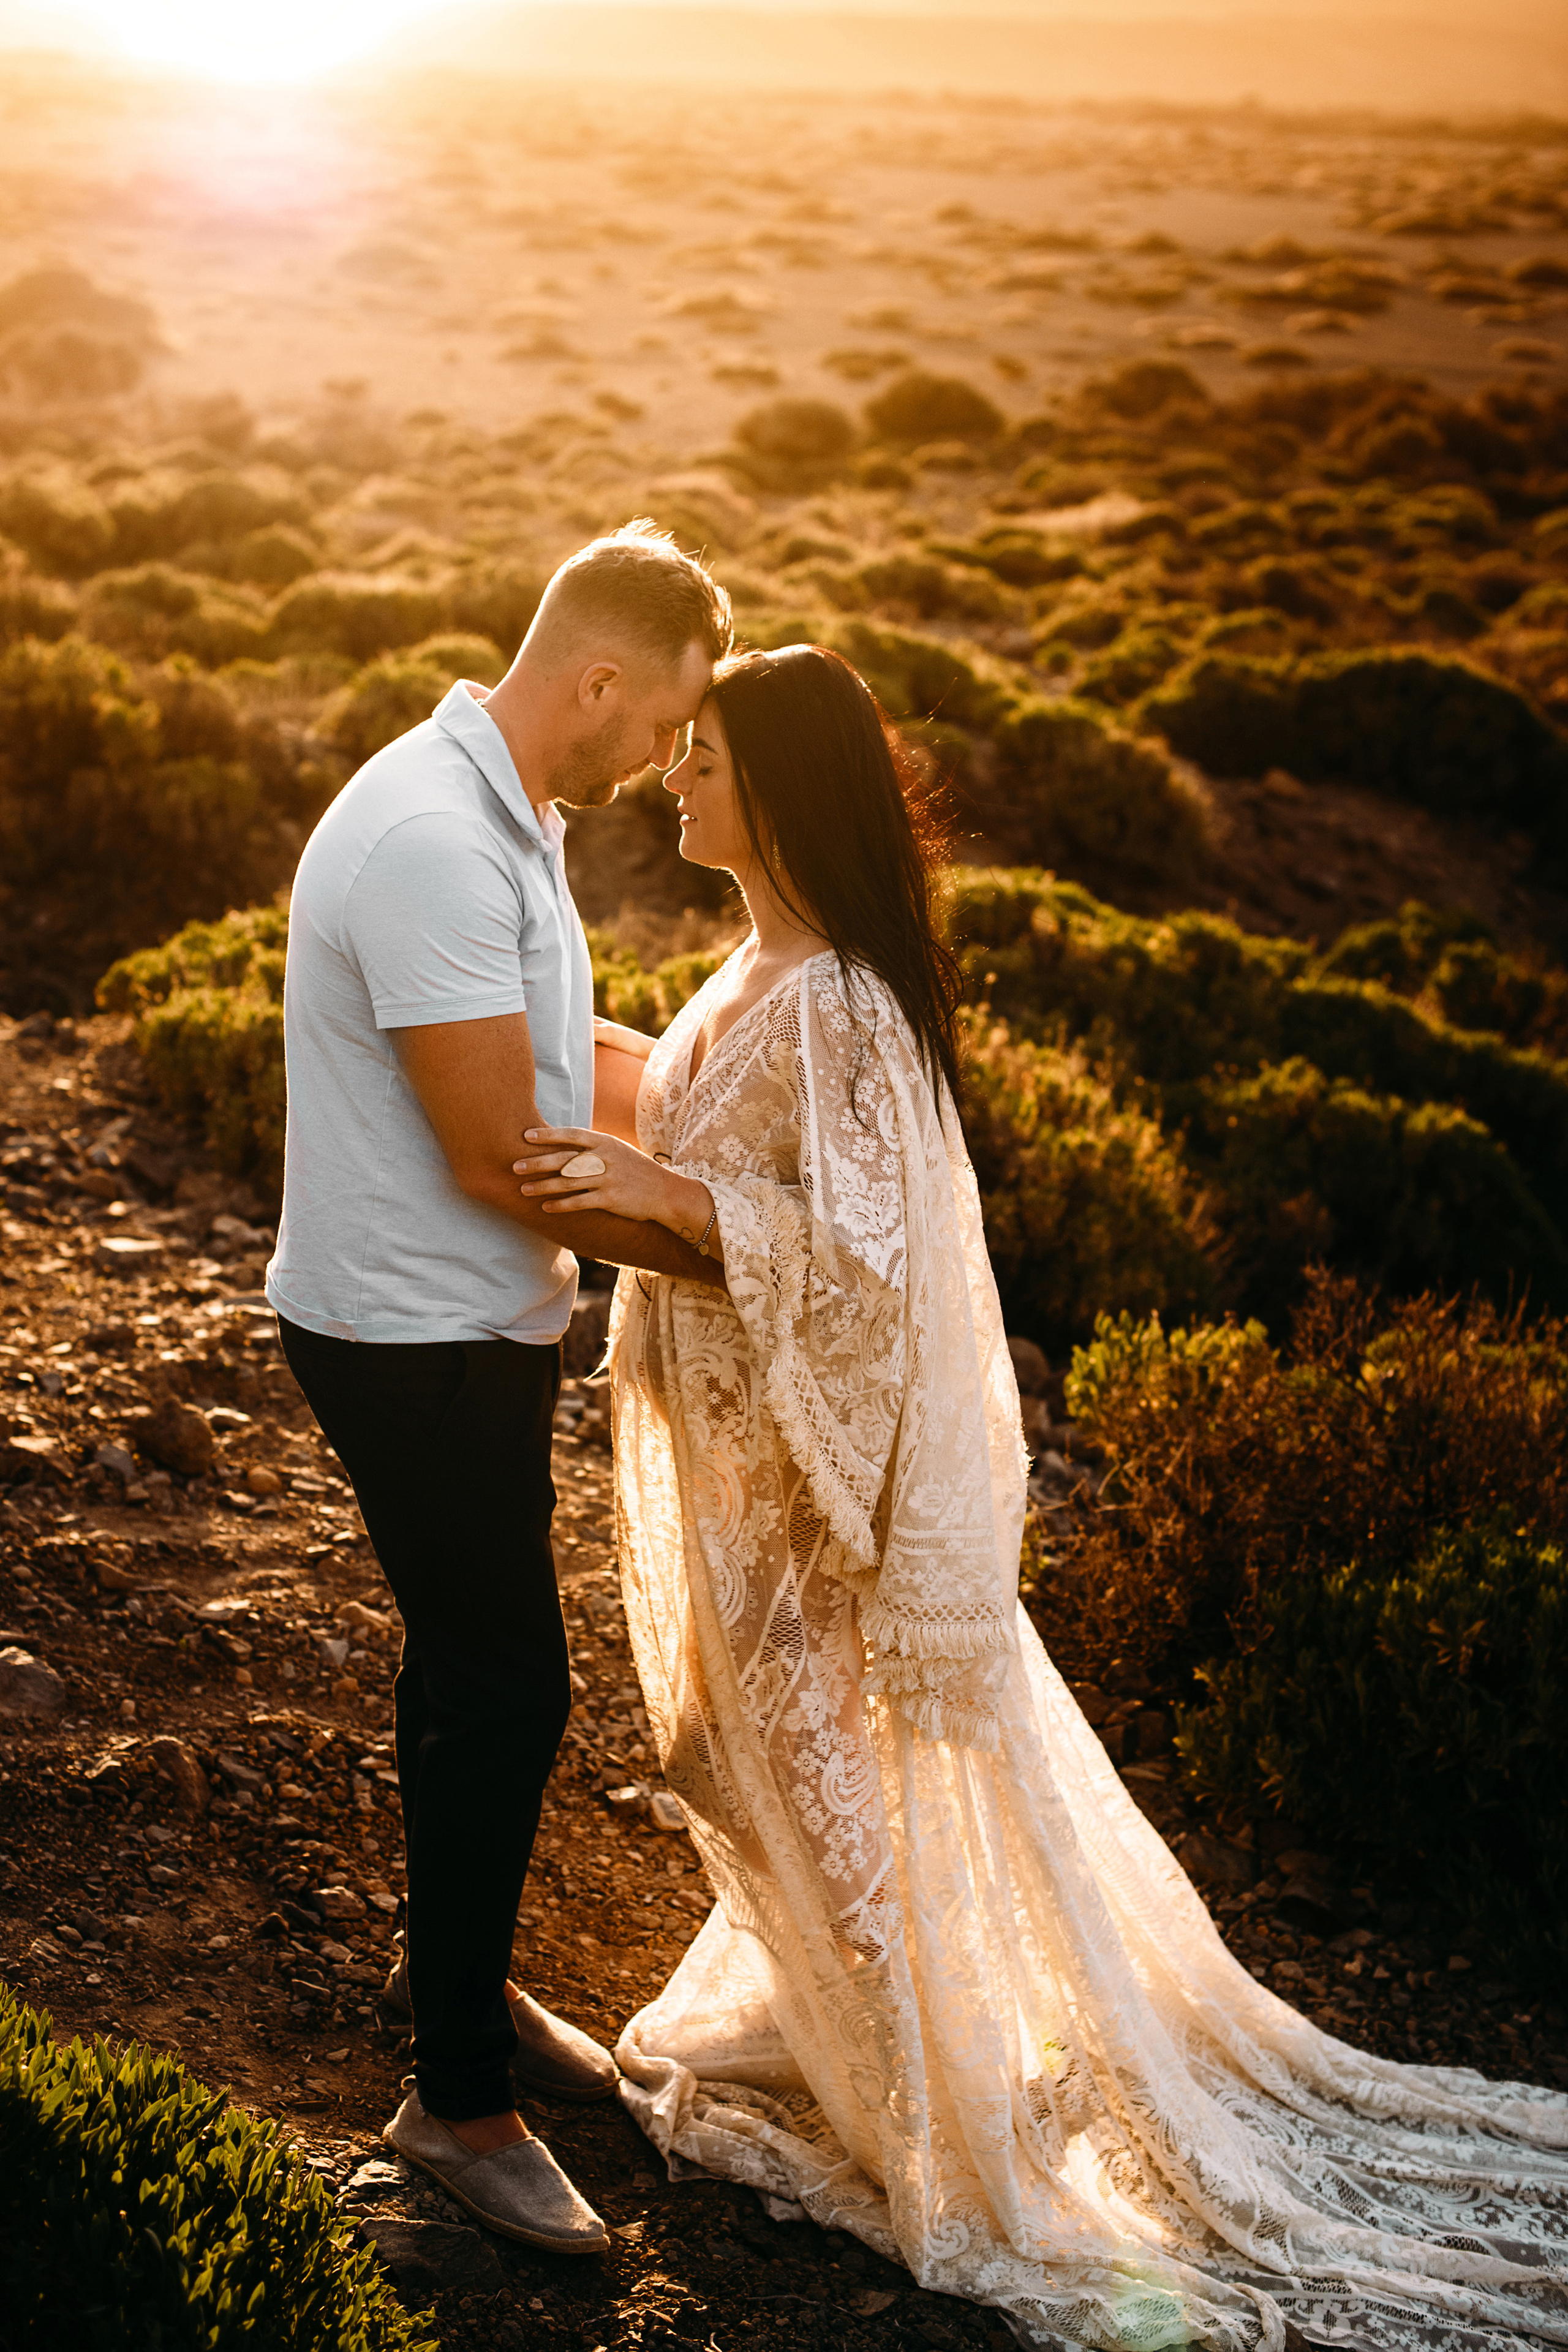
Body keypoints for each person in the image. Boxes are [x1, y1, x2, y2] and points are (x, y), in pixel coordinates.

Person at [514, 644, 1568, 2348]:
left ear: (774, 785)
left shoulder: (847, 994)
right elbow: (718, 1117)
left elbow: (866, 1262)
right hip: (731, 1449)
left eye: (699, 757)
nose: (670, 781)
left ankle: (953, 2117)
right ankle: (870, 2033)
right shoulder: (758, 964)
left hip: (800, 1479)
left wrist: (670, 1199)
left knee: (804, 1755)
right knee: (735, 1746)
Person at [265, 521, 732, 2253]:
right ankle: (455, 2106)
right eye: (665, 724)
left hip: (472, 1325)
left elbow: (556, 1067)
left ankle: (461, 1981)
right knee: (509, 1685)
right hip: (409, 1334)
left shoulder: (511, 810)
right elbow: (495, 1151)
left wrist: (706, 1110)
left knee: (467, 1674)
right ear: (595, 680)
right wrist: (742, 1261)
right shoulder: (428, 838)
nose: (668, 762)